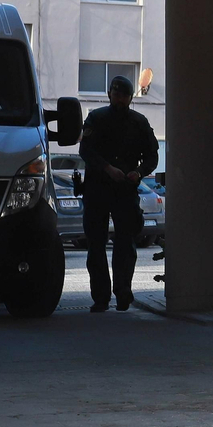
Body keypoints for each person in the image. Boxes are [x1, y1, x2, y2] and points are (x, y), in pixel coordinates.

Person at [79, 74, 159, 313]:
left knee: (126, 243)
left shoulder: (139, 122)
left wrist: (139, 172)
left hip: (125, 187)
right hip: (98, 187)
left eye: (124, 95)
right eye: (116, 94)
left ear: (130, 97)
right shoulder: (96, 118)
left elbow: (152, 157)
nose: (120, 99)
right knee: (96, 243)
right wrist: (107, 168)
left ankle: (123, 292)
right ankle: (101, 297)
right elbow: (86, 150)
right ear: (110, 94)